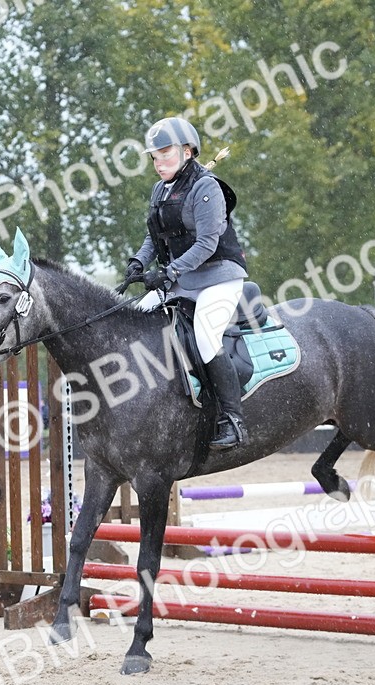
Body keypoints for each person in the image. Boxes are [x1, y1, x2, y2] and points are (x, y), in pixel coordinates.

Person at [123, 117, 250, 449]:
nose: (158, 162)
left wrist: (169, 272)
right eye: (154, 156)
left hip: (219, 277)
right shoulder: (161, 189)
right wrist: (139, 261)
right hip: (183, 277)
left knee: (206, 337)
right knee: (134, 319)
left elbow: (207, 243)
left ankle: (233, 419)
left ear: (188, 151)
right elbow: (155, 238)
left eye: (165, 153)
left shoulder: (207, 187)